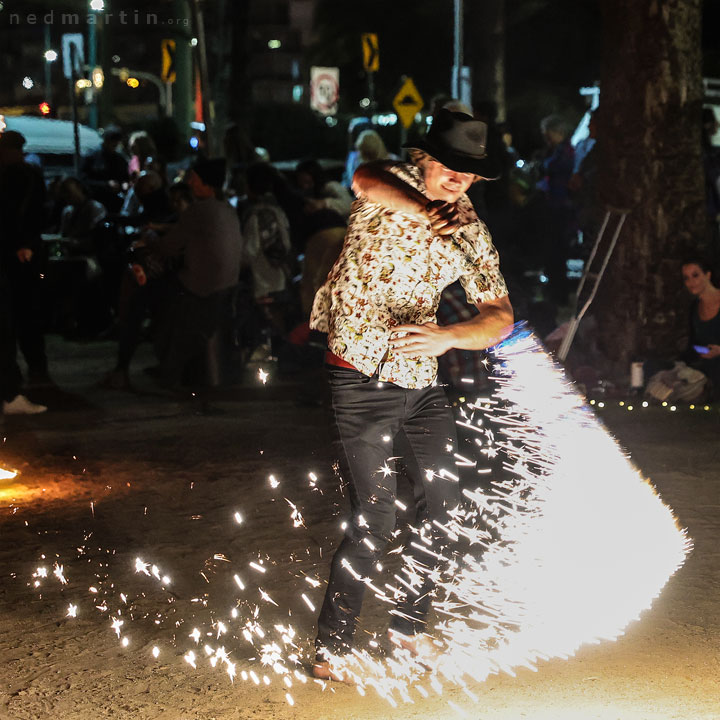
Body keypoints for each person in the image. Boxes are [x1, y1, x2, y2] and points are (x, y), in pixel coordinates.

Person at [309, 108, 513, 681]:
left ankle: (407, 631)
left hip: (421, 381)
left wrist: (449, 336)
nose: (458, 178)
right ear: (425, 157)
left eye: (470, 173)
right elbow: (363, 178)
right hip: (359, 374)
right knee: (374, 518)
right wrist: (428, 212)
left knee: (443, 509)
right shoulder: (390, 183)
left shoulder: (472, 229)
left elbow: (499, 317)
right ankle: (331, 648)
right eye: (450, 165)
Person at [149, 157, 242, 389]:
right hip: (229, 283)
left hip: (201, 285)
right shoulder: (227, 208)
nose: (189, 182)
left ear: (205, 183)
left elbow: (168, 246)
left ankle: (168, 369)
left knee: (154, 296)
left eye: (194, 178)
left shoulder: (197, 210)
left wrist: (150, 240)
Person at [0, 130, 50, 384]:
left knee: (20, 313)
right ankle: (37, 368)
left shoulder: (17, 176)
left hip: (15, 251)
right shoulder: (31, 175)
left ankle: (29, 370)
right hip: (26, 250)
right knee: (28, 313)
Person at [681, 258, 720, 398]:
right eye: (686, 278)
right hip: (704, 365)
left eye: (695, 275)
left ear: (708, 275)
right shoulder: (694, 308)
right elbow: (694, 344)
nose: (691, 282)